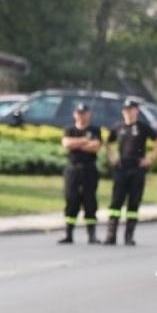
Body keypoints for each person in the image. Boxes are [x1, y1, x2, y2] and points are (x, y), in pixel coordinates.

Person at [105, 97, 157, 246]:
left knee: (133, 203)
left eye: (131, 110)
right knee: (116, 202)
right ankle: (111, 235)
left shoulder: (142, 127)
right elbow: (108, 142)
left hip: (137, 169)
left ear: (136, 111)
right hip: (122, 168)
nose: (128, 113)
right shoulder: (119, 127)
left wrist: (150, 158)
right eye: (126, 110)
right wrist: (112, 156)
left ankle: (129, 235)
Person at [59, 103, 102, 245]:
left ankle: (92, 234)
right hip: (73, 169)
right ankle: (68, 234)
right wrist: (84, 141)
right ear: (75, 114)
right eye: (79, 113)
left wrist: (76, 144)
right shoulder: (69, 129)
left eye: (84, 113)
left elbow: (95, 147)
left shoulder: (95, 130)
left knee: (90, 201)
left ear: (89, 114)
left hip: (89, 169)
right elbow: (66, 144)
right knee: (71, 200)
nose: (81, 116)